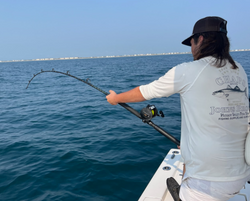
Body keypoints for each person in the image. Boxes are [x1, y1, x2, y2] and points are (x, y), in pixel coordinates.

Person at [106, 16, 250, 201]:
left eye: (191, 43)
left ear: (200, 40)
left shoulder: (187, 71)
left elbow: (146, 91)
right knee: (185, 155)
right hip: (241, 175)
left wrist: (116, 98)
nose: (191, 49)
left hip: (208, 185)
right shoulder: (238, 69)